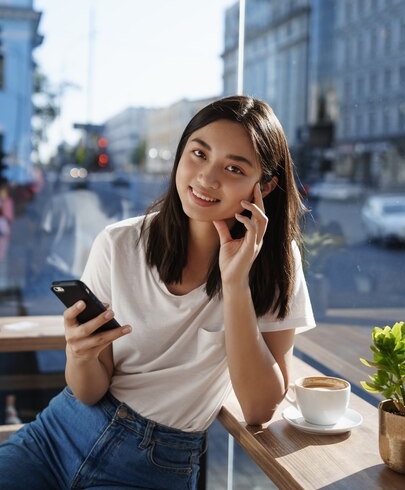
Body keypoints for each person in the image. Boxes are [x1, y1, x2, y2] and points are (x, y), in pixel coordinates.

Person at [0, 95, 315, 490]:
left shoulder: (275, 264)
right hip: (57, 436)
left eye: (234, 167)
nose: (206, 177)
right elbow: (89, 389)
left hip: (155, 465)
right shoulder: (119, 243)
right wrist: (79, 354)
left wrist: (235, 284)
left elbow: (259, 407)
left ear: (264, 185)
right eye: (198, 153)